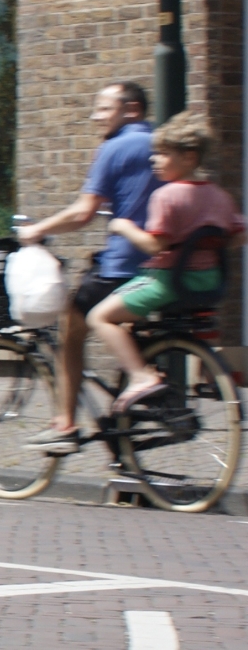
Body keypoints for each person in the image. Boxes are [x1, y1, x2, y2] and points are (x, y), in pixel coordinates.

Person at [15, 82, 158, 453]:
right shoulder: (161, 143)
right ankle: (125, 451)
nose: (95, 116)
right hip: (163, 266)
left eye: (104, 109)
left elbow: (83, 213)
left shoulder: (114, 148)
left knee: (72, 326)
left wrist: (37, 230)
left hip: (124, 265)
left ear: (131, 110)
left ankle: (65, 425)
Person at [87, 111, 244, 411]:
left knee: (100, 317)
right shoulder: (220, 196)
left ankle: (140, 377)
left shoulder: (167, 196)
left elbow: (153, 244)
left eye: (163, 153)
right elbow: (238, 235)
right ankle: (207, 370)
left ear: (189, 157)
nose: (154, 160)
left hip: (168, 282)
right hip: (209, 281)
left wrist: (122, 226)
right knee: (141, 324)